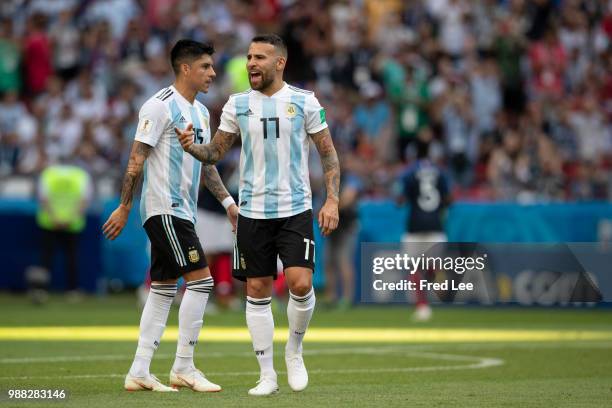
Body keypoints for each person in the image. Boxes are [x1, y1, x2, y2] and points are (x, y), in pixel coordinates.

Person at [175, 34, 340, 396]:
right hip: (252, 213)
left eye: (260, 57)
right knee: (257, 289)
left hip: (295, 208)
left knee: (300, 283)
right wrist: (193, 148)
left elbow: (327, 153)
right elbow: (216, 153)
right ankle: (267, 374)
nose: (251, 62)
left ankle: (294, 351)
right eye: (249, 56)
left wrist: (332, 200)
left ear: (279, 63)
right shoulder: (236, 105)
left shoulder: (304, 101)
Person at [102, 39, 239, 393]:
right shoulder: (158, 106)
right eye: (206, 66)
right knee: (202, 282)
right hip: (164, 208)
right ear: (185, 68)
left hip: (184, 212)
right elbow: (136, 158)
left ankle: (139, 371)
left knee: (163, 289)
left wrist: (227, 204)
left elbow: (206, 165)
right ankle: (184, 367)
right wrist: (125, 205)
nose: (213, 73)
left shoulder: (203, 114)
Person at [397, 128, 451, 322]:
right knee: (430, 266)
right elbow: (449, 198)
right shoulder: (440, 171)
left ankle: (422, 306)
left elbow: (400, 199)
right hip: (436, 224)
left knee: (413, 268)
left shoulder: (408, 172)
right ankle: (435, 275)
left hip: (415, 225)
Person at [35, 163, 92, 301]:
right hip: (71, 224)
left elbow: (43, 198)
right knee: (69, 258)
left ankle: (42, 290)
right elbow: (85, 200)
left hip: (51, 222)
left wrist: (55, 218)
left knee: (48, 258)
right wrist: (69, 219)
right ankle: (71, 290)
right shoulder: (81, 175)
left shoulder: (48, 174)